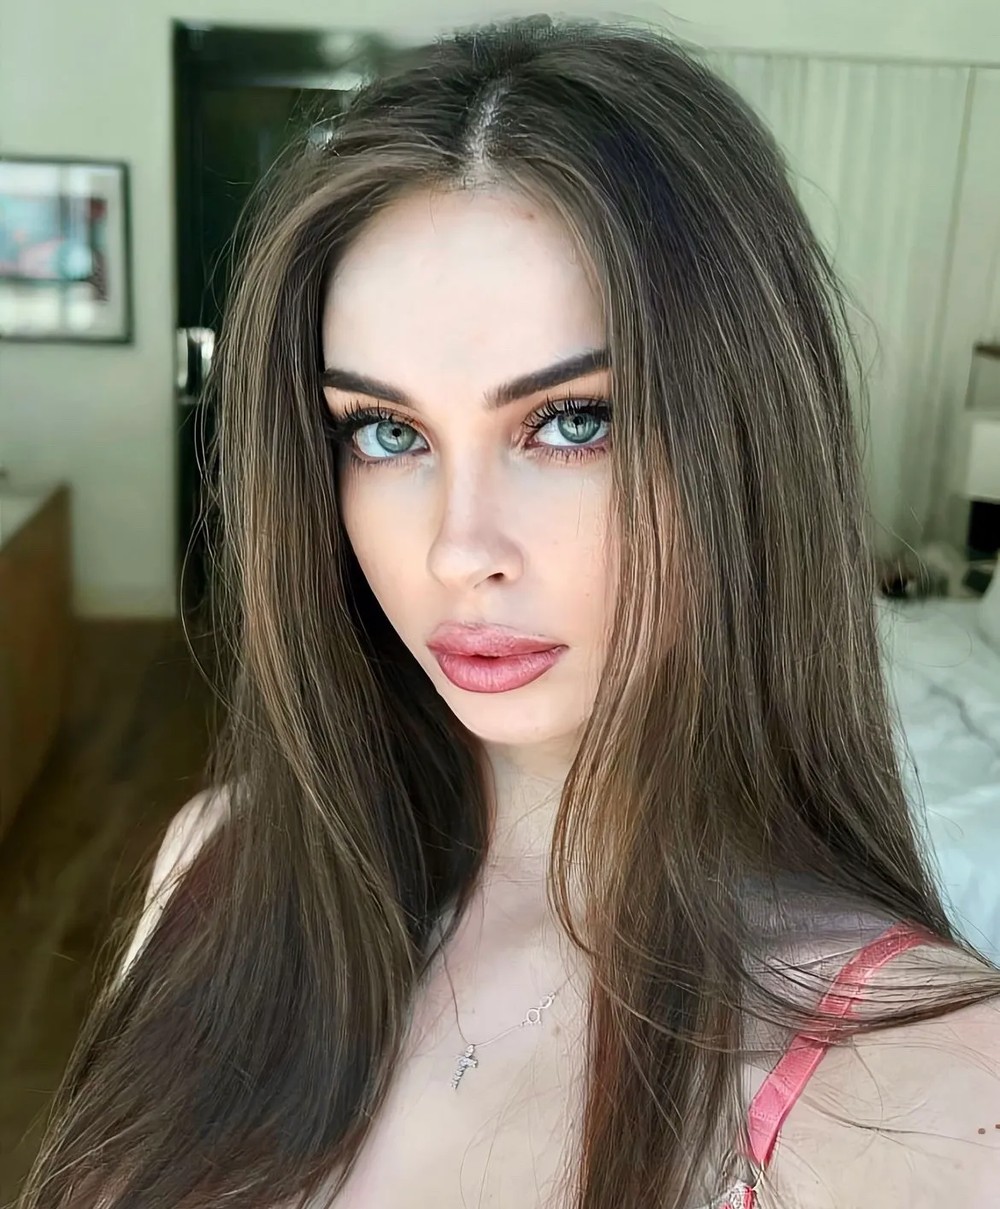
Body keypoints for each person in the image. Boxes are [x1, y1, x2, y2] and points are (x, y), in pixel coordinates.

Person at [19, 18, 1000, 1209]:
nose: (458, 550)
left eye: (574, 421)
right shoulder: (214, 867)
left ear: (753, 448)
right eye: (386, 433)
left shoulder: (932, 1103)